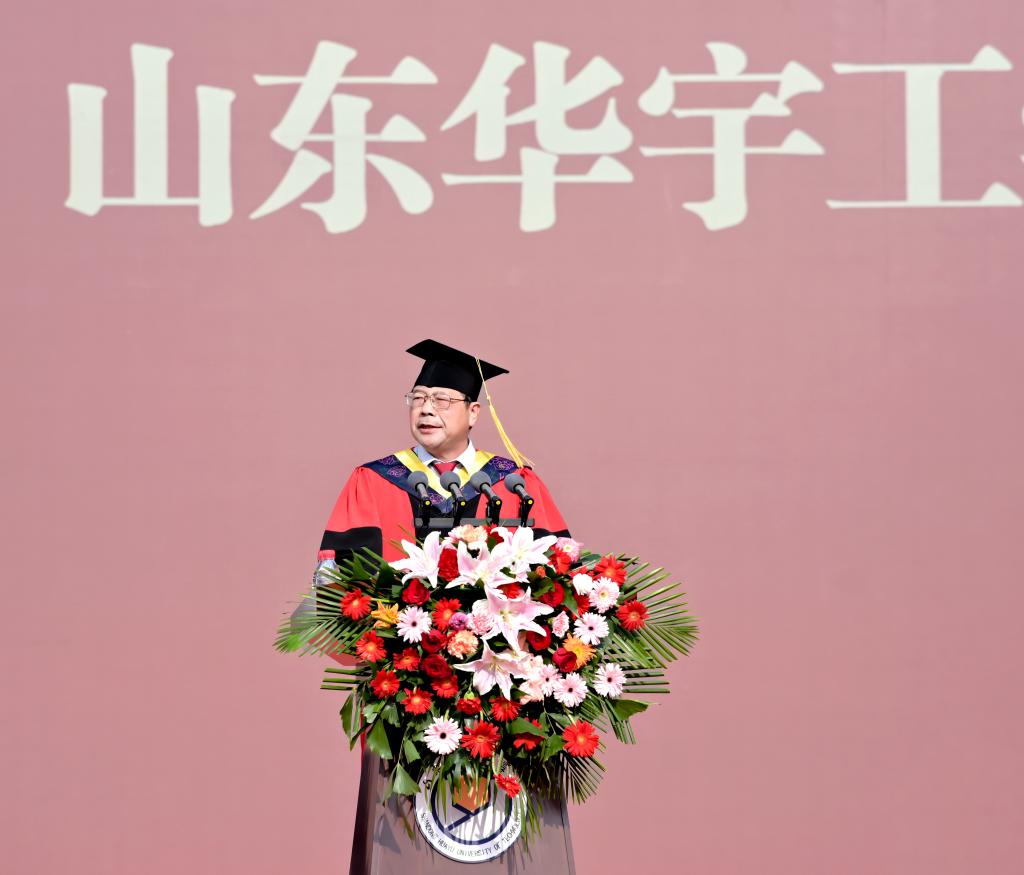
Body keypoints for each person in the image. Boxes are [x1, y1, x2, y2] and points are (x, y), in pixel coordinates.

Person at [319, 338, 571, 571]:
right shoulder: (372, 480)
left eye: (441, 400)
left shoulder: (514, 482)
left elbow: (556, 571)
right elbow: (347, 576)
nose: (426, 409)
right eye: (418, 398)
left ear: (473, 412)